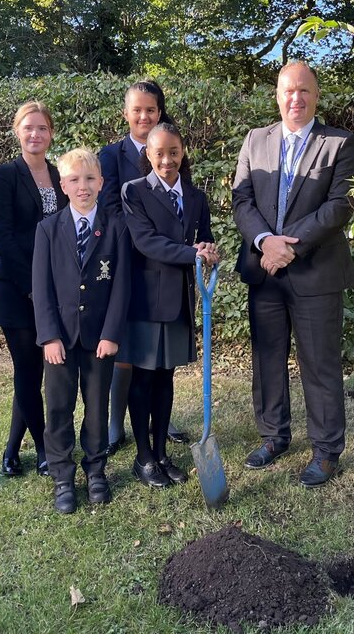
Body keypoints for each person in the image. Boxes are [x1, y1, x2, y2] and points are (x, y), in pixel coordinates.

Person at [232, 60, 354, 488]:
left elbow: (340, 206)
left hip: (316, 273)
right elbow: (241, 199)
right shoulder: (255, 140)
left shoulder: (339, 143)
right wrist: (265, 241)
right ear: (277, 95)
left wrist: (288, 246)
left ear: (316, 95)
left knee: (319, 364)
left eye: (304, 90)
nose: (296, 98)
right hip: (264, 270)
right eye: (288, 90)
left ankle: (326, 449)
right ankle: (274, 436)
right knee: (267, 359)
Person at [32, 148, 130, 512]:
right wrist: (49, 336)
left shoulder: (115, 228)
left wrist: (111, 333)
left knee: (95, 406)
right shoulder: (48, 229)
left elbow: (122, 286)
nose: (83, 186)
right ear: (63, 185)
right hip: (60, 340)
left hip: (98, 340)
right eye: (74, 180)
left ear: (101, 183)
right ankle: (62, 476)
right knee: (58, 407)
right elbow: (41, 288)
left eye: (90, 179)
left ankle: (96, 470)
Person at [121, 123, 218, 489]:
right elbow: (147, 242)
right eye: (159, 153)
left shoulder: (195, 197)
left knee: (166, 377)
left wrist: (208, 249)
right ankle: (143, 458)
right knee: (144, 377)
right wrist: (192, 252)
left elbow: (204, 236)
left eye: (173, 152)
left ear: (182, 152)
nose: (166, 160)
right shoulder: (134, 192)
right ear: (148, 154)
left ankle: (161, 453)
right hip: (146, 301)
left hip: (180, 300)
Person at [99, 80, 189, 455]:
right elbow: (109, 210)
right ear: (126, 113)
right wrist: (144, 234)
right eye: (136, 110)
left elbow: (181, 208)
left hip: (166, 268)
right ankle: (116, 424)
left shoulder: (173, 151)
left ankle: (159, 423)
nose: (143, 116)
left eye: (150, 109)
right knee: (130, 353)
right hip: (128, 263)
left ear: (159, 111)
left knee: (160, 358)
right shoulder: (111, 155)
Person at [0, 101, 68, 478]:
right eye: (28, 128)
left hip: (52, 288)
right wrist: (34, 285)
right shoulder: (4, 175)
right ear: (17, 131)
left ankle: (10, 451)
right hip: (18, 288)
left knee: (36, 372)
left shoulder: (59, 174)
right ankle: (43, 449)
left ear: (51, 133)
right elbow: (2, 237)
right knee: (27, 370)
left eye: (42, 128)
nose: (35, 134)